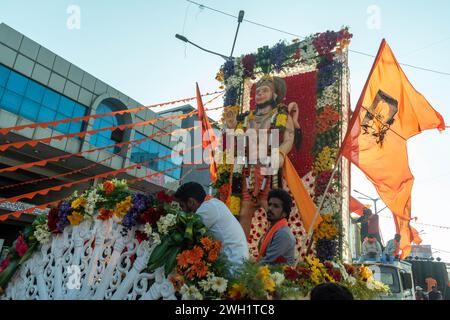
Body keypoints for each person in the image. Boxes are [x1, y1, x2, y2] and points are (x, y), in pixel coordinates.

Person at [232, 76, 300, 238]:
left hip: (270, 171)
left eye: (265, 90)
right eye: (258, 91)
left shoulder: (280, 115)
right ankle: (241, 257)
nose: (260, 94)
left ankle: (274, 253)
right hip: (248, 172)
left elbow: (289, 138)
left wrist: (281, 152)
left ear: (275, 95)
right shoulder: (246, 118)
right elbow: (239, 144)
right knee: (243, 213)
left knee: (274, 213)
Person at [174, 182, 249, 269]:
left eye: (182, 206)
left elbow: (187, 236)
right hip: (234, 262)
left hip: (233, 265)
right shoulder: (213, 204)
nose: (182, 211)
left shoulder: (207, 208)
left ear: (191, 202)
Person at [257, 189, 296, 265]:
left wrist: (247, 271)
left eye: (276, 206)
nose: (270, 208)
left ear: (284, 213)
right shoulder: (273, 229)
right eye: (270, 204)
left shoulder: (283, 234)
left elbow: (268, 262)